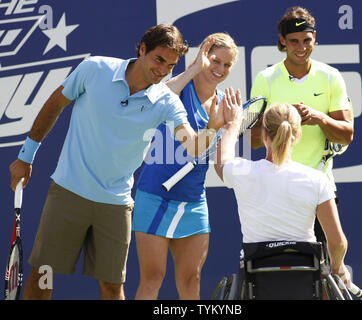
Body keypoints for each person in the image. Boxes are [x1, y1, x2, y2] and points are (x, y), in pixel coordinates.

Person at [8, 24, 237, 300]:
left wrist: (212, 127)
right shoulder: (95, 69)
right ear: (142, 49)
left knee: (113, 288)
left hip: (115, 204)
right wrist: (25, 156)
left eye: (170, 65)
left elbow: (192, 145)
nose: (163, 70)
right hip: (69, 191)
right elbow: (55, 103)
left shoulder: (165, 100)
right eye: (159, 60)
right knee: (42, 275)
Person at [132, 33, 239, 300]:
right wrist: (193, 69)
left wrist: (232, 126)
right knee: (153, 277)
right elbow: (158, 94)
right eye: (215, 60)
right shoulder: (178, 89)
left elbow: (221, 161)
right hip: (155, 195)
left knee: (192, 280)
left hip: (193, 201)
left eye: (227, 65)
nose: (220, 70)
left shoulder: (225, 103)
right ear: (203, 57)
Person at [214, 102, 351, 289]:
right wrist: (338, 268)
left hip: (257, 284)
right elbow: (337, 243)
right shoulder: (317, 180)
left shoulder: (242, 172)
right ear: (298, 136)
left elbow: (221, 162)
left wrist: (232, 125)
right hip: (305, 283)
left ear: (264, 135)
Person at [249, 6, 354, 242]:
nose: (301, 47)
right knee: (275, 264)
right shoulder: (265, 80)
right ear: (282, 41)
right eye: (294, 41)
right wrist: (284, 120)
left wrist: (318, 117)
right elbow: (253, 139)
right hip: (276, 186)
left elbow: (347, 134)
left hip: (319, 186)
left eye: (307, 40)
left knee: (326, 262)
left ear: (315, 39)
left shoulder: (331, 77)